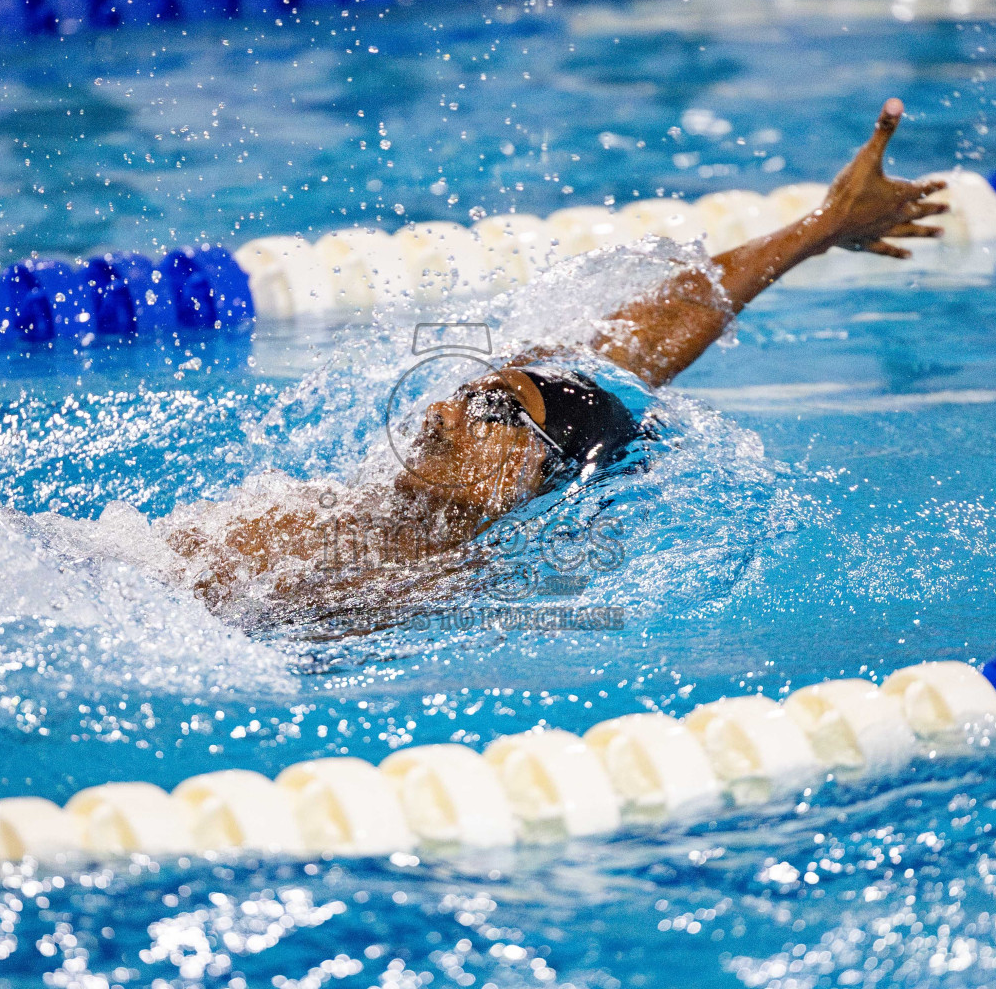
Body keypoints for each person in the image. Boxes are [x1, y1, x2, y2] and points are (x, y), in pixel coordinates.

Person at [159, 99, 946, 633]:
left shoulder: (420, 583)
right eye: (464, 393)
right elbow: (637, 345)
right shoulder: (389, 513)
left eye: (490, 412)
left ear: (539, 483)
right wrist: (815, 230)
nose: (438, 414)